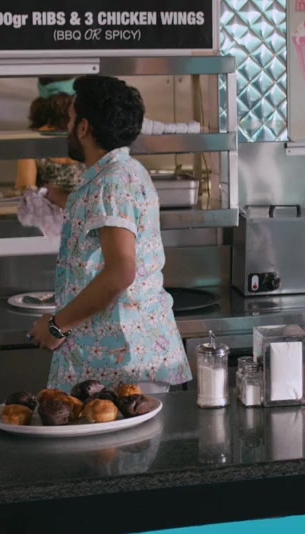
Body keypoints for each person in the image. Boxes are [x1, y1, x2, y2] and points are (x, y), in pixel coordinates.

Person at [27, 75, 191, 394]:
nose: (68, 127)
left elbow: (120, 272)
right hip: (121, 355)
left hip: (124, 360)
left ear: (83, 128)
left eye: (71, 119)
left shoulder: (111, 182)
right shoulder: (121, 172)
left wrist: (56, 326)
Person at [15, 77, 85, 208]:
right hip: (85, 215)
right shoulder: (85, 134)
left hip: (47, 218)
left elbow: (25, 192)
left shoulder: (32, 141)